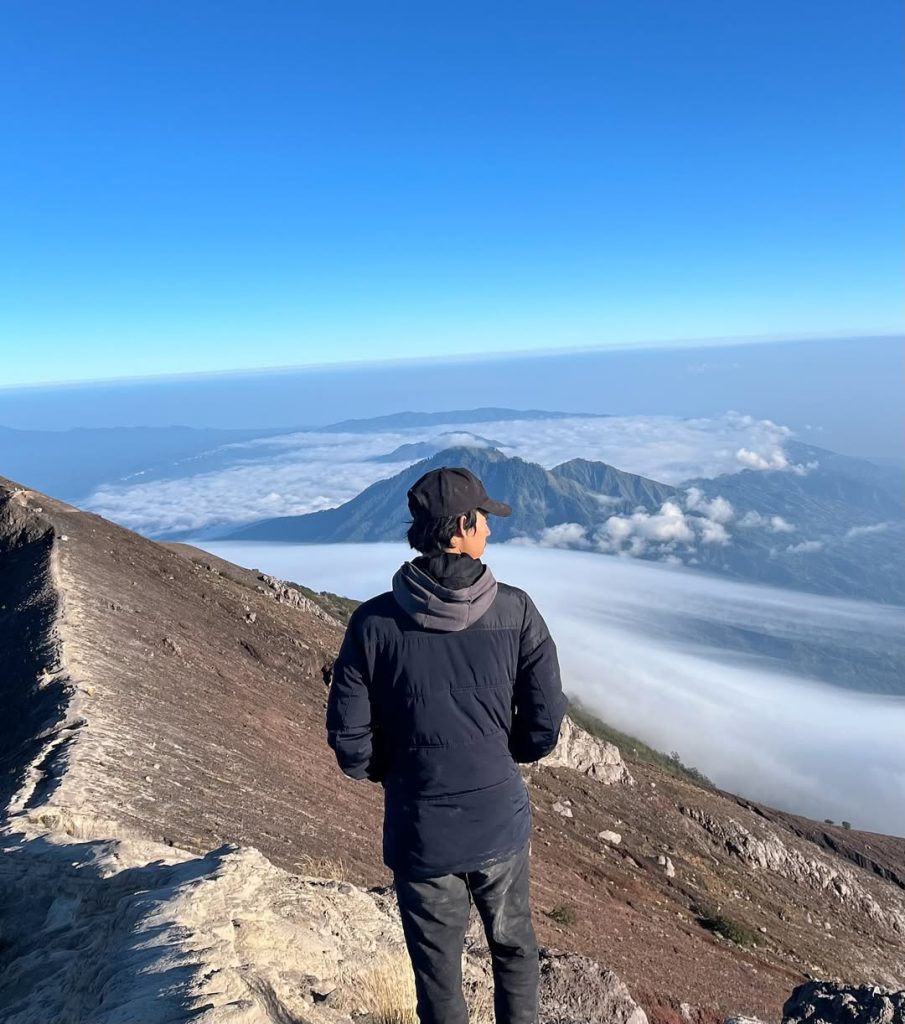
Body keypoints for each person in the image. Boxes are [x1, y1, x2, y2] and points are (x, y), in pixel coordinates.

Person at [326, 465, 568, 1024]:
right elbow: (544, 720)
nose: (489, 530)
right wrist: (501, 757)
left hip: (421, 830)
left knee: (438, 977)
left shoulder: (372, 624)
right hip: (499, 821)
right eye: (483, 519)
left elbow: (348, 739)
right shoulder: (517, 610)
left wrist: (397, 771)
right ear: (460, 526)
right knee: (514, 950)